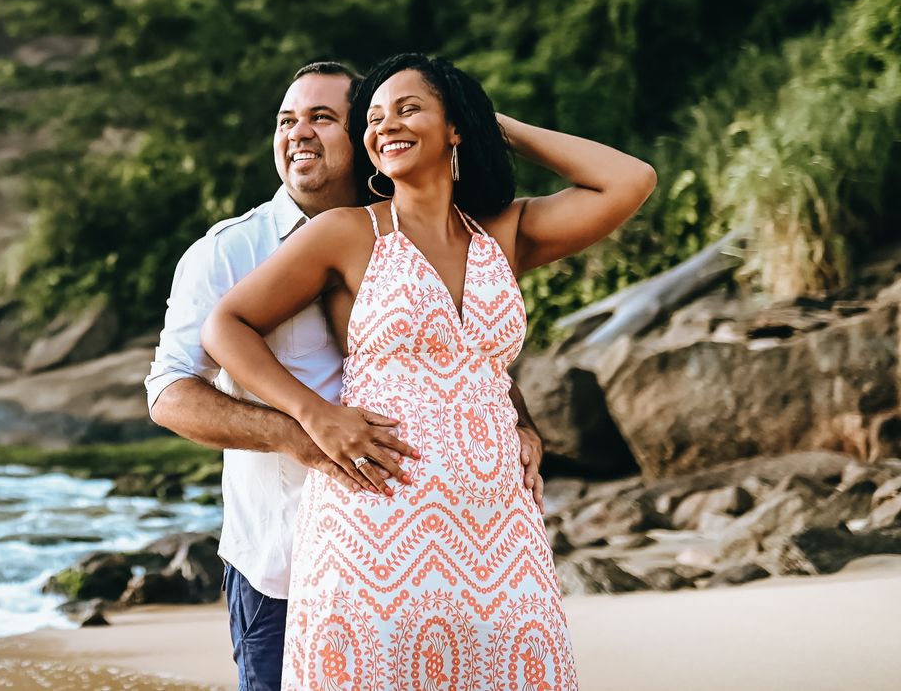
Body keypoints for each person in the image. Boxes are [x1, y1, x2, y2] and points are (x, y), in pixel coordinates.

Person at [202, 53, 656, 691]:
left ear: (456, 128)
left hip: (498, 526)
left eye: (408, 109)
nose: (386, 125)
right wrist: (316, 414)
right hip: (375, 525)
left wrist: (499, 125)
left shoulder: (502, 232)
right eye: (375, 116)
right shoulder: (346, 233)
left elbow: (629, 179)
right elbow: (226, 327)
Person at [146, 61, 546, 691]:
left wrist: (520, 424)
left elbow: (456, 356)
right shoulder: (227, 251)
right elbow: (169, 396)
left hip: (432, 552)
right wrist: (303, 430)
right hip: (283, 561)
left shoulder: (406, 230)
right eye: (286, 120)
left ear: (362, 132)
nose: (297, 133)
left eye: (321, 118)